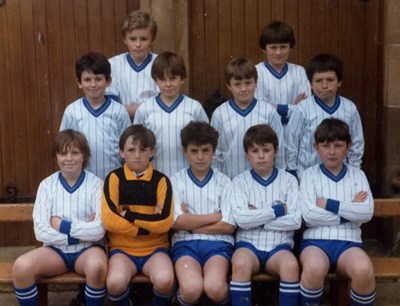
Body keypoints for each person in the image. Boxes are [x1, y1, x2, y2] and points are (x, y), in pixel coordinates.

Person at [12, 130, 107, 306]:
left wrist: (61, 225)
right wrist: (81, 232)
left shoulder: (96, 184)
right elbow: (41, 232)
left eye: (75, 152)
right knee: (21, 267)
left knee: (98, 267)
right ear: (56, 157)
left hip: (87, 251)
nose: (69, 158)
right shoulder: (47, 185)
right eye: (63, 153)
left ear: (84, 155)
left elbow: (99, 230)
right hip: (55, 253)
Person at [299, 118, 375, 305]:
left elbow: (366, 213)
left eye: (338, 145)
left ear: (348, 146)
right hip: (315, 242)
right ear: (316, 147)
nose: (332, 152)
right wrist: (349, 211)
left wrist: (328, 204)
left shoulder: (358, 175)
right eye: (325, 146)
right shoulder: (309, 175)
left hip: (349, 243)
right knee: (314, 268)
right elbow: (309, 215)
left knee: (363, 270)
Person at [228, 124, 301, 306]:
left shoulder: (289, 180)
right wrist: (277, 211)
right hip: (248, 244)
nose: (261, 156)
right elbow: (242, 220)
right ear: (247, 154)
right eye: (255, 151)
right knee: (241, 263)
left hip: (280, 246)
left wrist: (257, 219)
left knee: (290, 266)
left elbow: (295, 220)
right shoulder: (239, 182)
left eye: (266, 150)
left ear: (275, 151)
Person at [102, 125, 175, 306]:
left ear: (151, 152)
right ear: (121, 152)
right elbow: (110, 220)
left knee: (166, 280)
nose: (137, 155)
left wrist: (129, 215)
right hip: (122, 249)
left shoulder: (161, 180)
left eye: (143, 150)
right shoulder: (114, 179)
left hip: (155, 249)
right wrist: (146, 227)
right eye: (131, 150)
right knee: (114, 283)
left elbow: (164, 222)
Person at [170, 121, 235, 305]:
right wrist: (216, 215)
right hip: (185, 244)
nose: (200, 157)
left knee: (215, 288)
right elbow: (178, 222)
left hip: (218, 245)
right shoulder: (176, 180)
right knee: (191, 289)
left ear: (214, 151)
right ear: (185, 151)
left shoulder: (224, 182)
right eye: (194, 151)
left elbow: (229, 225)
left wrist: (191, 223)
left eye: (206, 150)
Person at [285, 53, 364, 180]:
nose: (324, 86)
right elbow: (291, 144)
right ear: (310, 84)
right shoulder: (303, 109)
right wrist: (293, 174)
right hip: (306, 178)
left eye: (330, 80)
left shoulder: (349, 108)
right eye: (318, 81)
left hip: (340, 177)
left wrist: (354, 173)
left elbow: (356, 145)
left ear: (339, 82)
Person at [133, 51, 209, 178]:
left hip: (188, 177)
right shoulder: (144, 109)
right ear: (155, 80)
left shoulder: (194, 108)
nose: (168, 84)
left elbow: (207, 142)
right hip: (154, 176)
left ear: (182, 79)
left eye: (173, 78)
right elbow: (137, 144)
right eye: (163, 79)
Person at [60, 52, 131, 180]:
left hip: (114, 180)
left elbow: (128, 147)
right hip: (82, 180)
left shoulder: (119, 111)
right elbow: (63, 148)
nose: (93, 85)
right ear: (79, 82)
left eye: (98, 79)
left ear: (108, 81)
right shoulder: (72, 112)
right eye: (87, 79)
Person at [210, 57, 285, 179]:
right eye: (237, 84)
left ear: (256, 82)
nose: (243, 89)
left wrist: (280, 178)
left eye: (248, 83)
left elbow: (279, 148)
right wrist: (218, 181)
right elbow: (215, 153)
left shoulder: (268, 111)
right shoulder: (220, 114)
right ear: (229, 85)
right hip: (230, 180)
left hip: (264, 181)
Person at [255, 20, 311, 125]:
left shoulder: (299, 72)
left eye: (283, 47)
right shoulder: (256, 72)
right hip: (266, 132)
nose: (278, 52)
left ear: (290, 47)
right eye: (273, 47)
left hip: (295, 131)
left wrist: (273, 107)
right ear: (264, 49)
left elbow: (305, 108)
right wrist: (293, 108)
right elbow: (259, 109)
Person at [106, 10, 159, 119]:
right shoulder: (113, 64)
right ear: (125, 39)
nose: (138, 44)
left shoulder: (160, 63)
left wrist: (133, 109)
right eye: (133, 39)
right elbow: (110, 105)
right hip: (122, 126)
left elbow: (162, 103)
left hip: (153, 124)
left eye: (143, 39)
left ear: (152, 40)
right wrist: (143, 108)